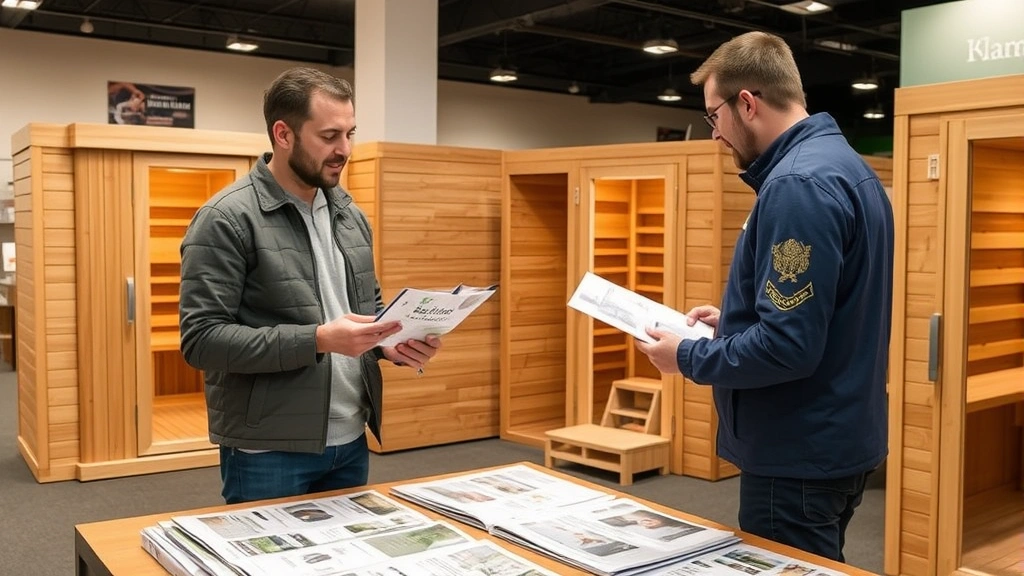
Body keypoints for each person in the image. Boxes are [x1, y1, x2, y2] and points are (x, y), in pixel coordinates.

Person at [635, 31, 893, 562]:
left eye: (714, 115)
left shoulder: (797, 185)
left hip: (796, 452)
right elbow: (827, 310)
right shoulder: (844, 167)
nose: (714, 134)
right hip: (834, 437)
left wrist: (686, 356)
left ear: (747, 103)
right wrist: (733, 320)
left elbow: (787, 346)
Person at [179, 67, 441, 504]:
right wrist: (318, 340)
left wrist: (388, 343)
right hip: (268, 450)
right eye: (329, 136)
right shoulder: (226, 219)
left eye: (350, 134)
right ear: (283, 134)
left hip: (350, 438)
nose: (345, 150)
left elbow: (366, 306)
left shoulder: (350, 215)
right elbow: (202, 342)